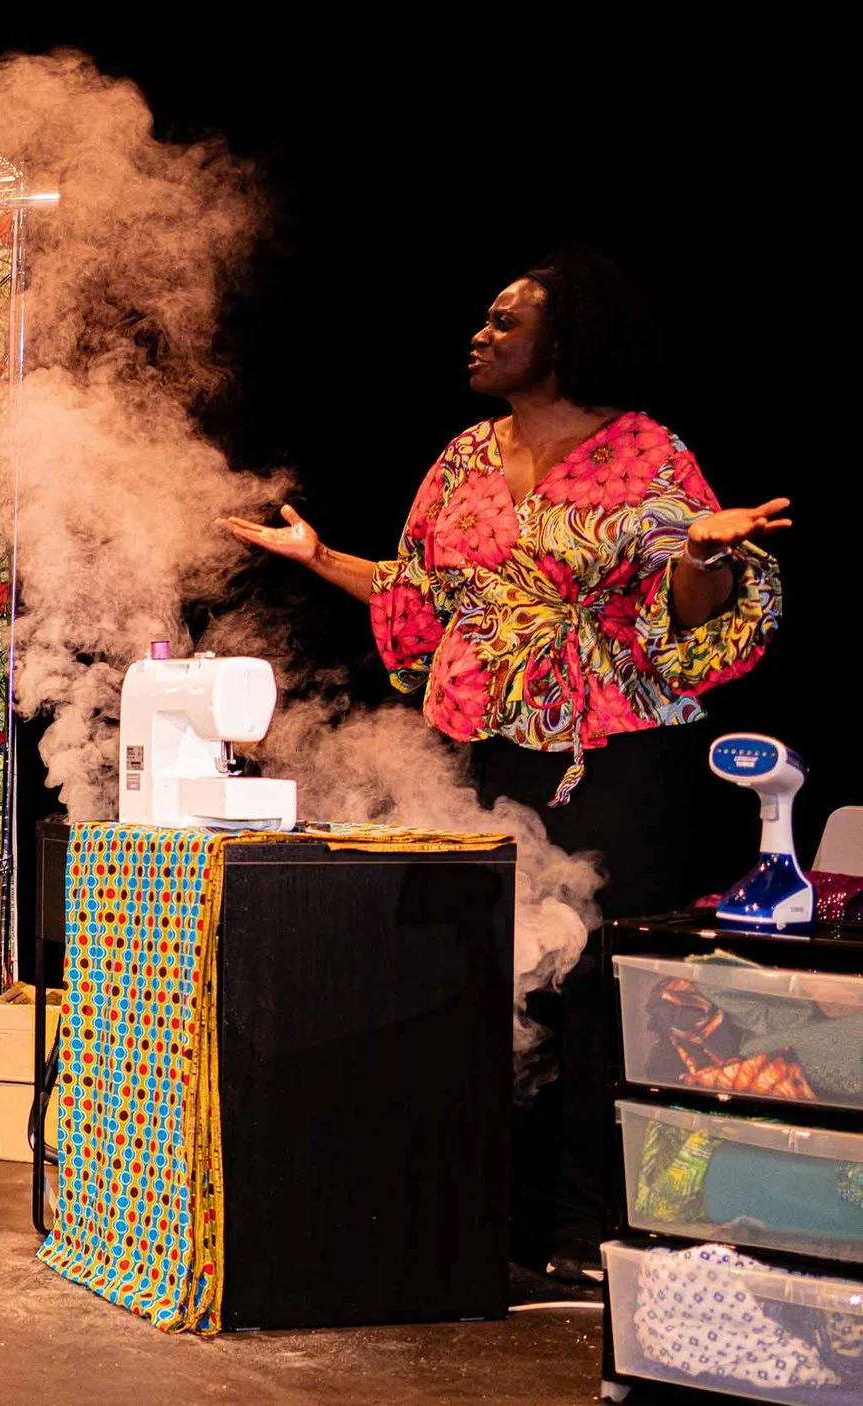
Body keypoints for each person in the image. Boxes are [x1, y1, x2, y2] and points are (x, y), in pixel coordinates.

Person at [221, 248, 787, 1279]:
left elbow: (690, 614)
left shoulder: (645, 451)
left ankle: (587, 1226)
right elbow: (421, 592)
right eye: (484, 320)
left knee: (598, 980)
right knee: (486, 970)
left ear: (565, 340)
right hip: (486, 744)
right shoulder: (465, 457)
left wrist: (702, 553)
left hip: (612, 751)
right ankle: (494, 1220)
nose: (478, 336)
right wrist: (318, 556)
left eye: (503, 322)